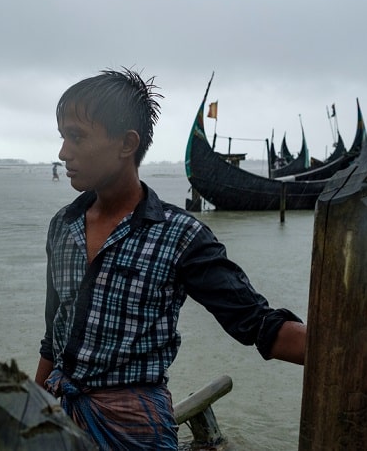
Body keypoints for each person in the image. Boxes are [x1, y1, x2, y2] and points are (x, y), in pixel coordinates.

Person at [35, 68, 307, 450]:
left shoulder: (180, 236)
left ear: (127, 144)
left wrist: (349, 350)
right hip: (64, 420)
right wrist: (32, 419)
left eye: (77, 136)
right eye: (62, 137)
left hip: (136, 430)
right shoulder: (63, 227)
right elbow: (55, 337)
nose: (64, 152)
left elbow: (256, 324)